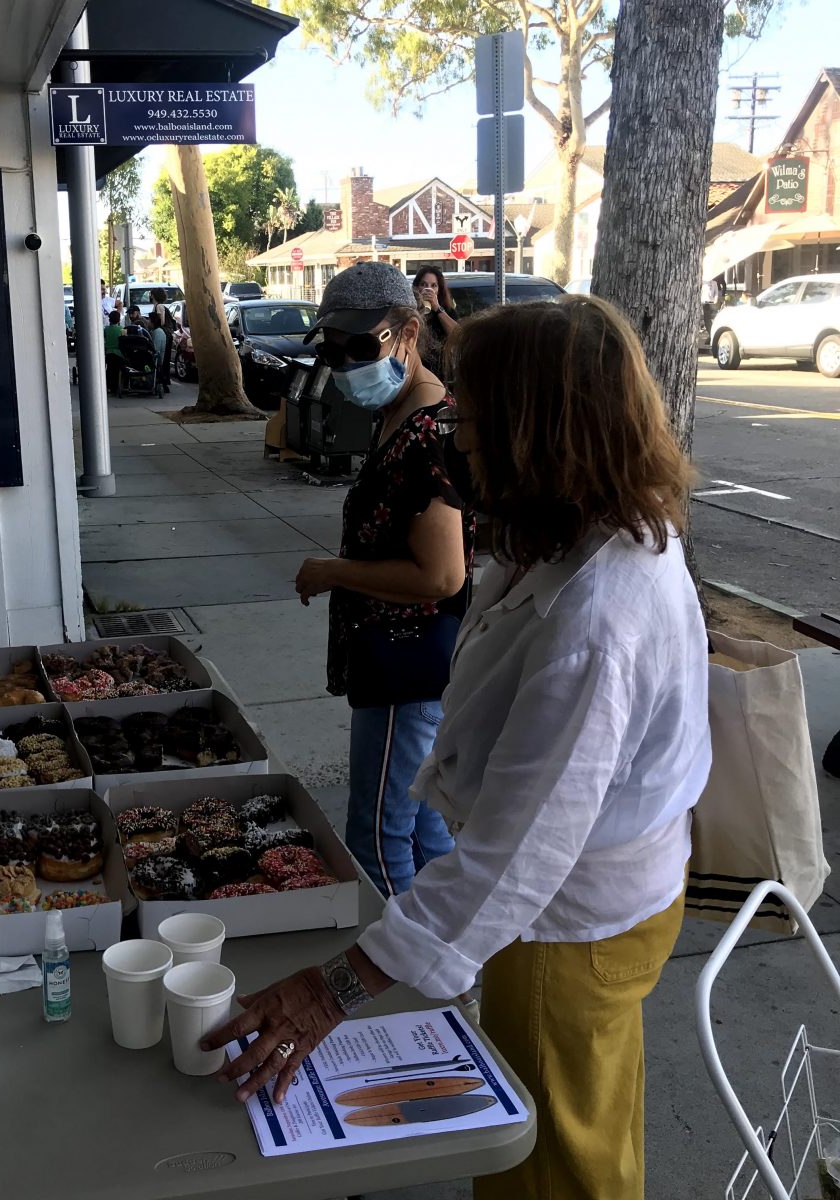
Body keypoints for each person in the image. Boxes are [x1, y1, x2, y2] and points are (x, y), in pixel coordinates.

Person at [206, 293, 709, 1200]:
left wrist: (338, 989)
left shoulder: (597, 620)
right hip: (595, 899)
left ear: (538, 433)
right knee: (582, 1122)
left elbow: (517, 856)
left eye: (472, 425)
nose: (455, 442)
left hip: (571, 925)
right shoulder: (578, 531)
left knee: (554, 1160)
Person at [293, 261, 472, 902]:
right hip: (395, 662)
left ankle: (411, 983)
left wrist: (335, 571)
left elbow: (443, 575)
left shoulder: (430, 431)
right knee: (425, 830)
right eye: (335, 350)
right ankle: (452, 974)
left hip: (408, 668)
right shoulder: (400, 415)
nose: (344, 365)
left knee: (376, 836)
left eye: (360, 347)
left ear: (409, 332)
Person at [413, 264, 459, 377]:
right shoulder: (411, 309)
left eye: (433, 285)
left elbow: (457, 334)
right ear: (417, 287)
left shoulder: (447, 311)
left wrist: (437, 308)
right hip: (417, 371)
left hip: (441, 372)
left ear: (439, 289)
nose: (427, 289)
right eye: (423, 284)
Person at [150, 287, 175, 392]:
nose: (149, 296)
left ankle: (162, 382)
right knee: (162, 358)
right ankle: (163, 382)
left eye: (151, 294)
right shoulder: (156, 306)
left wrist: (152, 323)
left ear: (154, 295)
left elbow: (162, 321)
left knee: (161, 358)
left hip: (162, 334)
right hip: (164, 334)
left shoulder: (159, 306)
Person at [103, 309, 125, 394]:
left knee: (109, 369)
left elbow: (104, 338)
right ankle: (117, 386)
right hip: (119, 353)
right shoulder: (122, 329)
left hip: (109, 353)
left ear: (109, 319)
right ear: (119, 320)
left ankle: (109, 386)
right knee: (118, 370)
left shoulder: (106, 329)